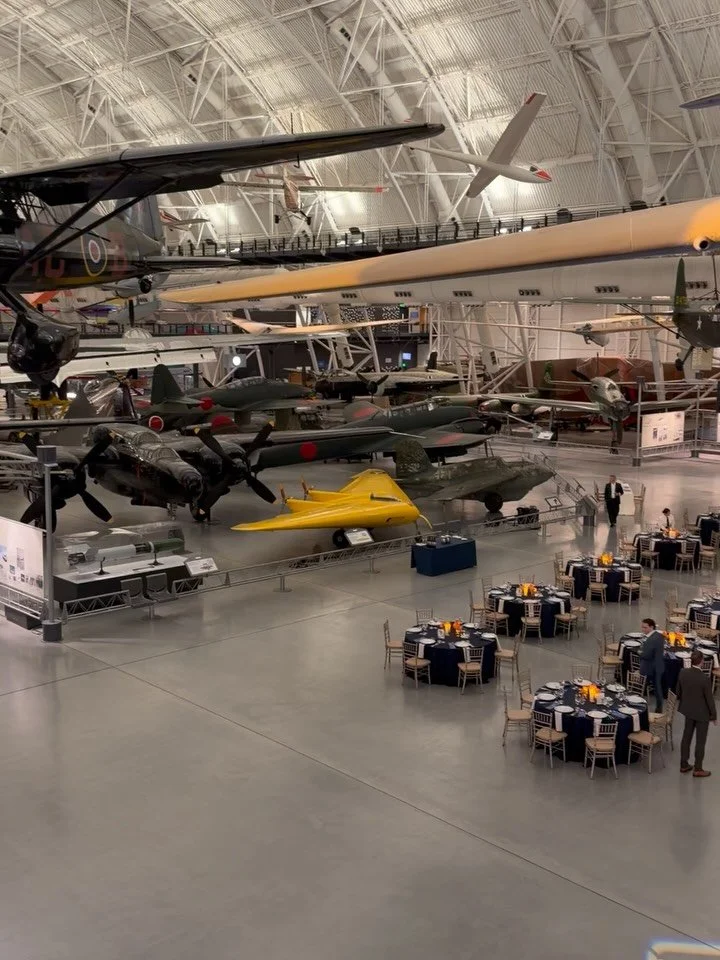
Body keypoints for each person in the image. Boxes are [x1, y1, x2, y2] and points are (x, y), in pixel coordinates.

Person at [677, 649, 717, 777]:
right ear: (702, 662)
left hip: (688, 711)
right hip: (702, 714)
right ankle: (698, 768)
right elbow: (709, 700)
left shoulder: (683, 672)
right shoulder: (704, 679)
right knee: (700, 741)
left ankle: (684, 764)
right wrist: (714, 716)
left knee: (686, 737)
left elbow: (678, 692)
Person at [639, 617, 665, 713]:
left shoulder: (651, 640)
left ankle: (656, 708)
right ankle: (659, 707)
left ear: (651, 627)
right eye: (642, 627)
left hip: (651, 668)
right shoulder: (659, 635)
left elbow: (646, 655)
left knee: (652, 687)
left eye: (645, 627)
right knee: (657, 687)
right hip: (659, 665)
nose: (643, 629)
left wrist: (640, 652)